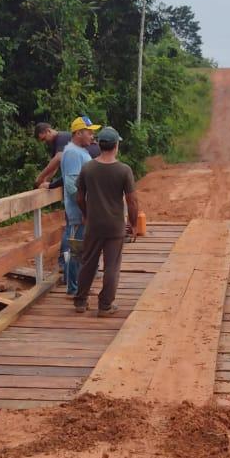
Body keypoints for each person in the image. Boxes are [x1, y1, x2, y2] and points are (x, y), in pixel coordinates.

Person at [74, 126, 139, 316]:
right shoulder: (124, 170)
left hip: (93, 225)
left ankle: (80, 301)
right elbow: (132, 201)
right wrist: (134, 224)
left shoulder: (88, 168)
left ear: (100, 144)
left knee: (88, 262)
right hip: (115, 226)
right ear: (116, 145)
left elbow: (79, 197)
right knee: (112, 266)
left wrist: (86, 214)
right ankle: (105, 306)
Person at [59, 120, 95, 297]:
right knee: (77, 250)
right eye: (89, 132)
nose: (92, 135)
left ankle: (81, 286)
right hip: (79, 213)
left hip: (84, 211)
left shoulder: (79, 151)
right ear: (79, 132)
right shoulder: (73, 153)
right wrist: (85, 210)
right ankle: (74, 288)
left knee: (84, 250)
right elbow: (72, 187)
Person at [34, 119, 102, 190]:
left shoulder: (61, 138)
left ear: (48, 131)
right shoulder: (55, 144)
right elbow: (54, 166)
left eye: (44, 139)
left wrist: (41, 178)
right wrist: (45, 182)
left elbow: (58, 159)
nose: (45, 142)